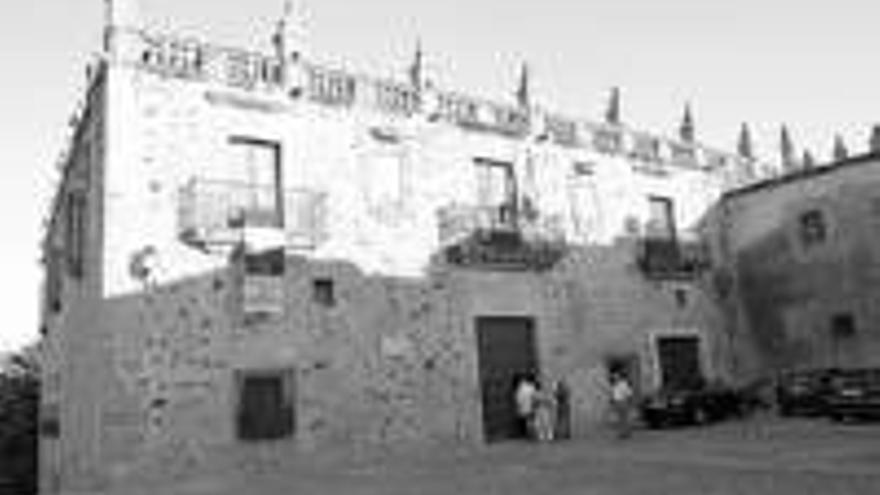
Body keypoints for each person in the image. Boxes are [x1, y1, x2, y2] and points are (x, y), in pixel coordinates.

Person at [609, 372, 634, 439]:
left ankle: (624, 433)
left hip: (620, 401)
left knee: (622, 418)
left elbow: (628, 394)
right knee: (623, 418)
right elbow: (629, 394)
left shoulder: (620, 384)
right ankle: (625, 432)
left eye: (617, 377)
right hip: (621, 402)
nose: (616, 378)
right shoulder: (621, 384)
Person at [514, 374, 538, 440]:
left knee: (526, 422)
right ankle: (532, 434)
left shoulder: (520, 389)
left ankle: (527, 434)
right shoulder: (532, 387)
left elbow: (519, 400)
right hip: (531, 407)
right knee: (531, 421)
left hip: (524, 407)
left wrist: (518, 406)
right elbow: (535, 397)